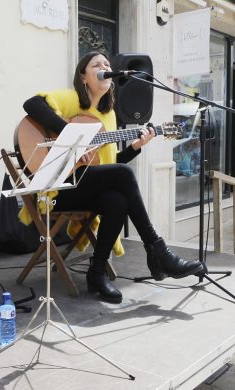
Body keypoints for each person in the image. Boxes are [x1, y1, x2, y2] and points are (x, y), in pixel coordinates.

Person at [22, 51, 204, 304]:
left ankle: (96, 273)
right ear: (84, 77)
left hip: (82, 185)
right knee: (123, 177)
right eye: (96, 64)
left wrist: (136, 147)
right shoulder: (71, 99)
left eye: (107, 64)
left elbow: (111, 165)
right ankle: (158, 251)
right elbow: (32, 104)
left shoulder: (108, 116)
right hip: (55, 189)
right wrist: (73, 137)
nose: (105, 67)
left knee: (116, 200)